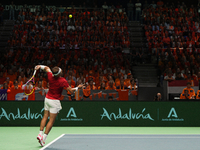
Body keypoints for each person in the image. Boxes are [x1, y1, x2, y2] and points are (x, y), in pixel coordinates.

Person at [35, 65, 84, 147]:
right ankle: (43, 138)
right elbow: (71, 91)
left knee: (45, 117)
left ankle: (40, 134)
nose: (62, 71)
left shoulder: (50, 76)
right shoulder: (63, 80)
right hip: (54, 102)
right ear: (59, 73)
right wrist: (78, 88)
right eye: (61, 71)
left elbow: (46, 68)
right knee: (51, 121)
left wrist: (39, 66)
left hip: (47, 99)